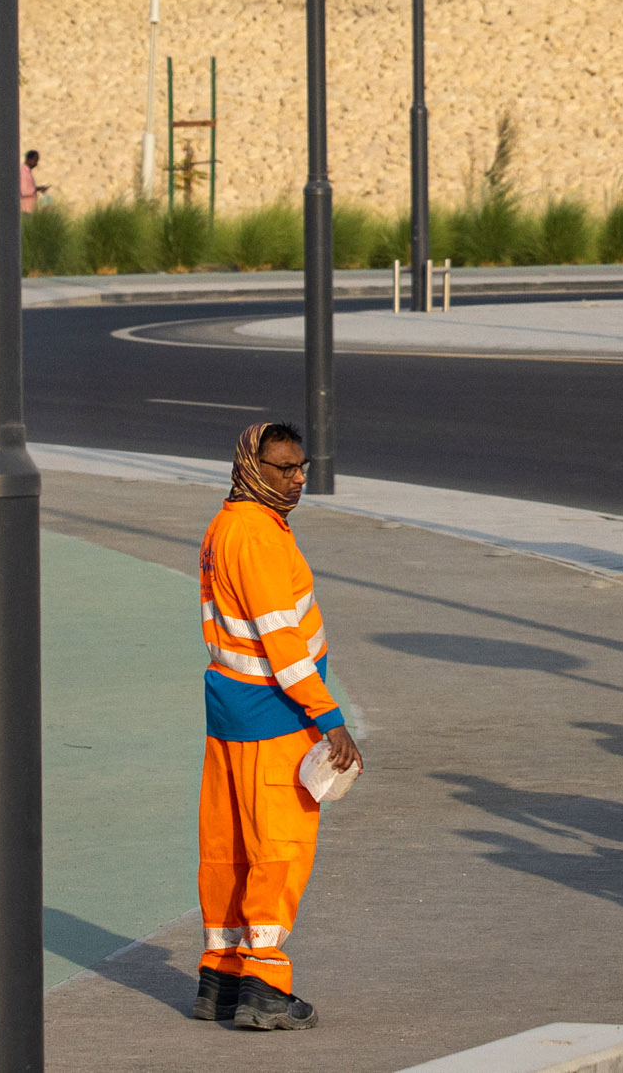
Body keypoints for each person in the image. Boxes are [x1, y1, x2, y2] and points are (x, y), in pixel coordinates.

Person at [199, 419, 360, 1030]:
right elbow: (283, 642)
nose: (296, 481)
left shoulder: (225, 526)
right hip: (277, 714)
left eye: (301, 469)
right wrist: (330, 718)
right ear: (250, 468)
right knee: (278, 849)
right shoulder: (260, 538)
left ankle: (221, 975)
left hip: (230, 711)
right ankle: (264, 984)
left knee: (228, 848)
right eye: (283, 469)